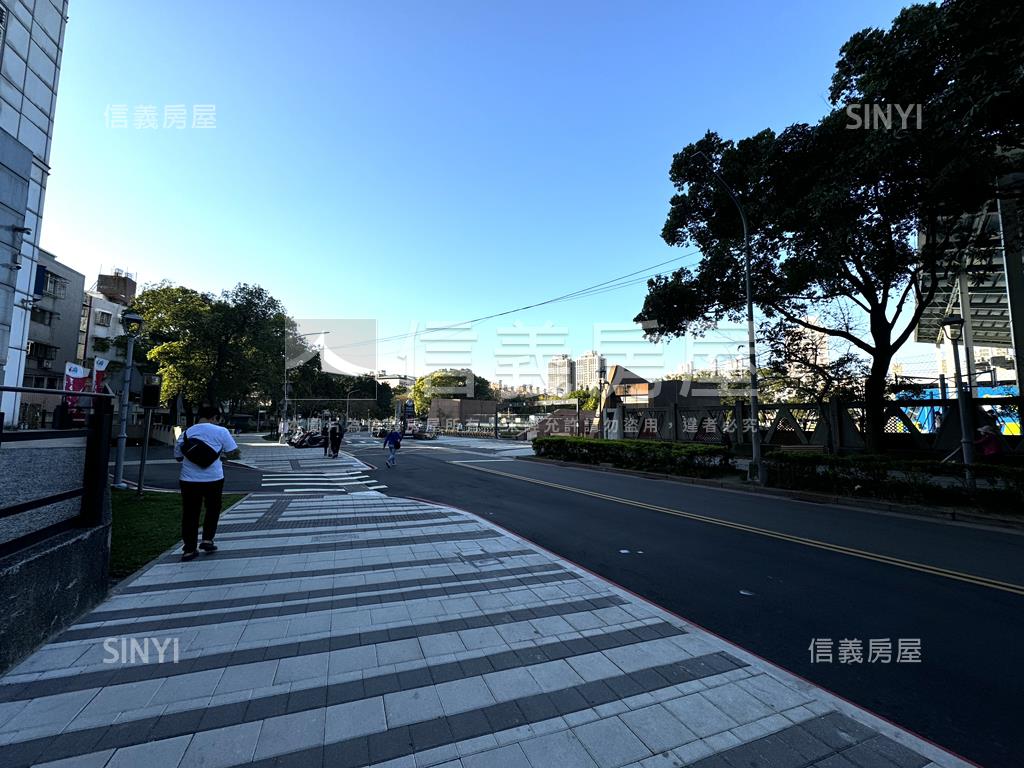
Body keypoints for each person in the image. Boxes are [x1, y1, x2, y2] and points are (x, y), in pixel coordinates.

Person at [174, 403, 240, 561]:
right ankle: (207, 540)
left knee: (190, 513)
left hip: (188, 480)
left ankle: (189, 549)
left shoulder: (186, 433)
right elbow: (235, 453)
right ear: (215, 417)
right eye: (218, 419)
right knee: (213, 509)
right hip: (214, 478)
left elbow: (177, 457)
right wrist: (220, 455)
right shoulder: (221, 431)